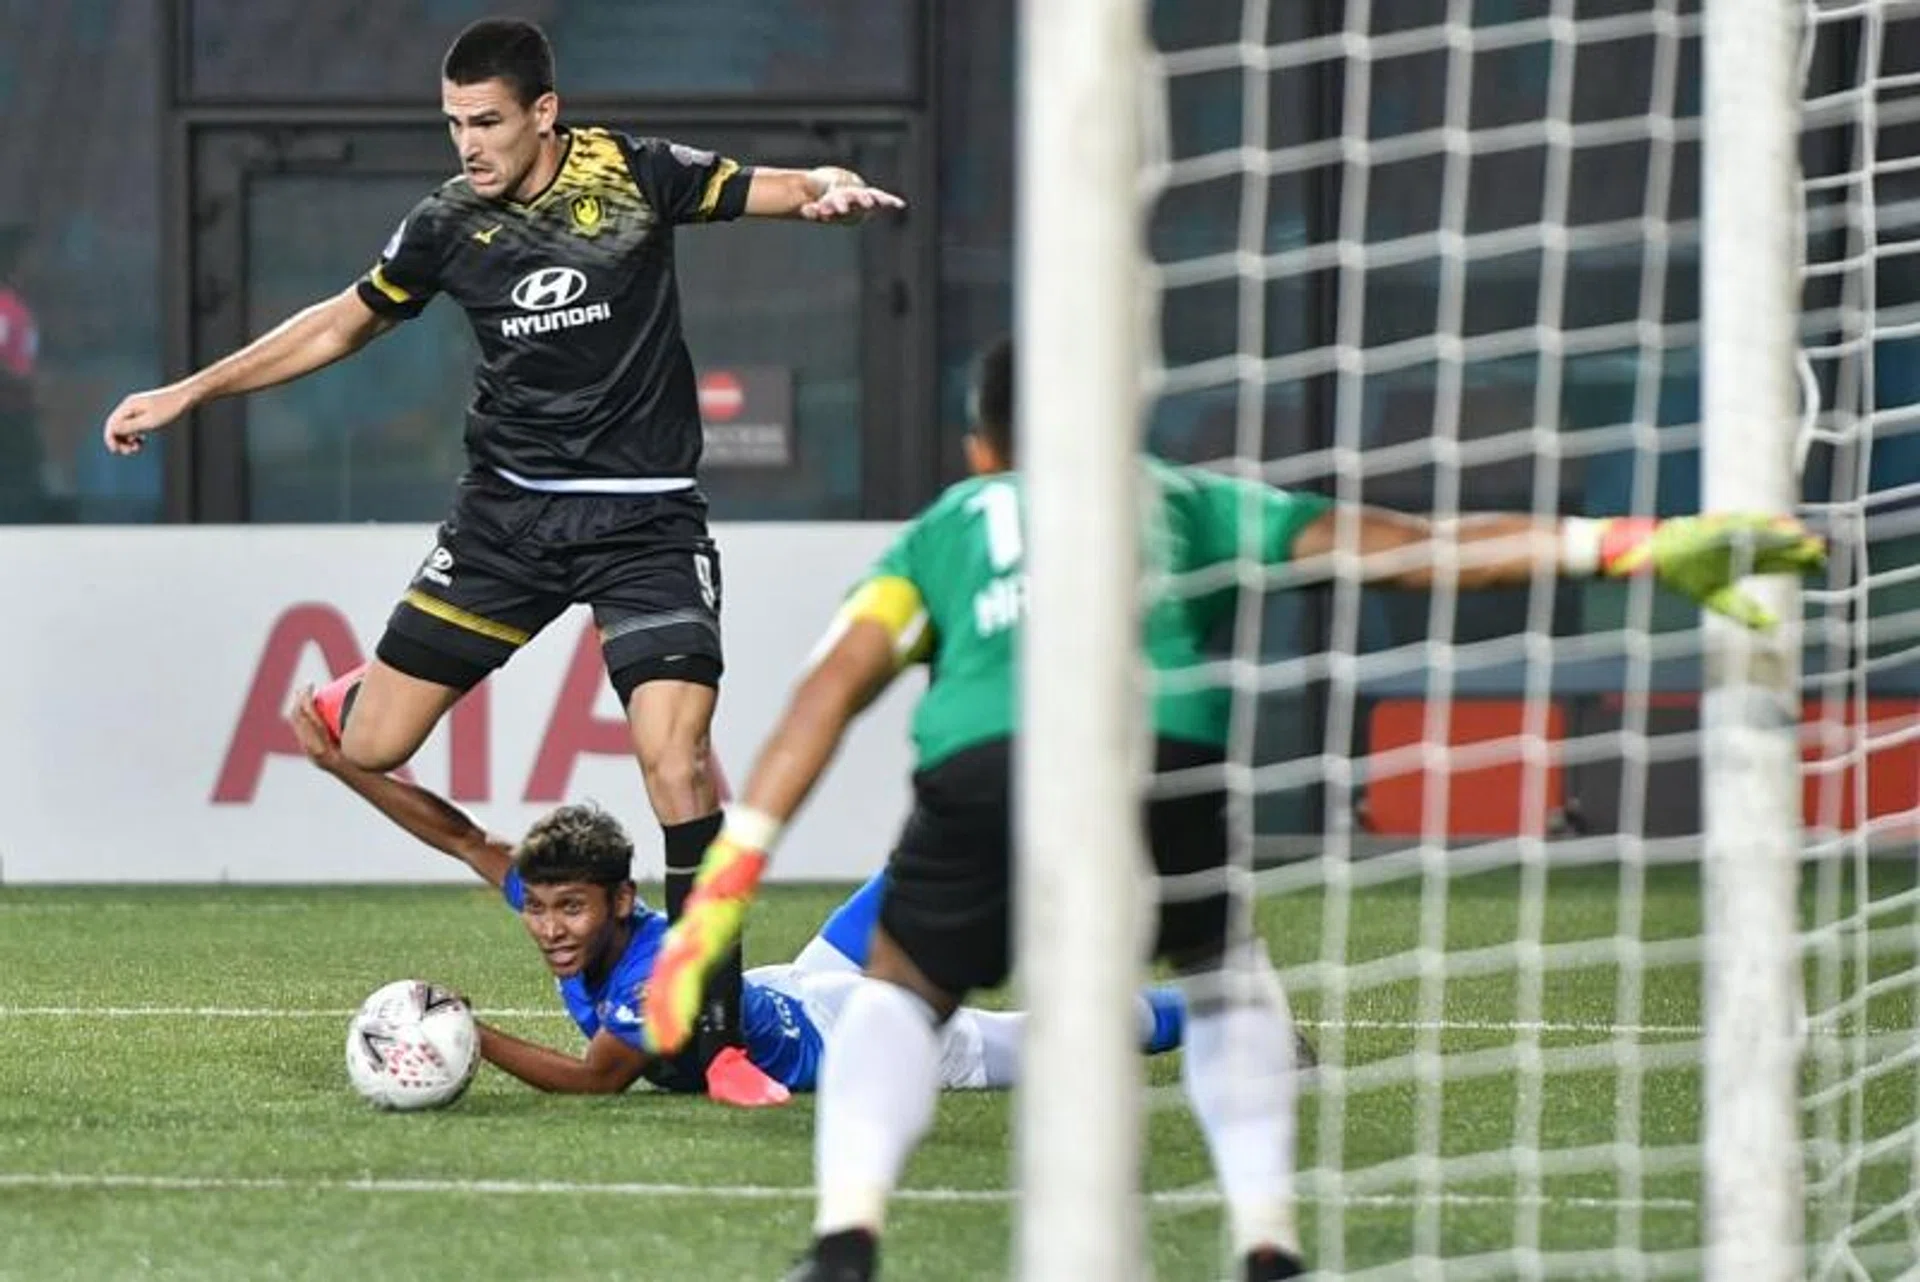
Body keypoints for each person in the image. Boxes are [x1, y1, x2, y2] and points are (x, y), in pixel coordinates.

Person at [639, 336, 1827, 1281]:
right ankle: (1267, 1237)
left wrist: (727, 885)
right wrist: (1625, 542)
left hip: (987, 759)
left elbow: (827, 695)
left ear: (981, 443)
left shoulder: (951, 527)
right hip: (1160, 746)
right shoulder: (1181, 499)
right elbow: (1409, 549)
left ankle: (846, 1236)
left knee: (902, 989)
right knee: (1223, 975)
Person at [99, 17, 904, 1105]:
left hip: (645, 526)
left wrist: (825, 184)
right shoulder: (446, 223)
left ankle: (712, 1037)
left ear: (543, 112)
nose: (468, 143)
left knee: (677, 762)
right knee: (370, 742)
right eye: (454, 123)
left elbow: (775, 187)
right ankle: (361, 690)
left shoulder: (633, 175)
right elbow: (338, 326)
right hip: (506, 524)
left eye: (485, 121)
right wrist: (189, 391)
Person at [288, 690, 1189, 1098]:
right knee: (934, 858)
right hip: (803, 982)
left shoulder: (653, 976)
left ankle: (1213, 996)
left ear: (623, 900)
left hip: (869, 1039)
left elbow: (597, 1080)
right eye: (539, 907)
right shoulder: (564, 903)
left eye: (572, 908)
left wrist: (468, 1036)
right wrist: (343, 766)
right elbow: (460, 835)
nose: (551, 927)